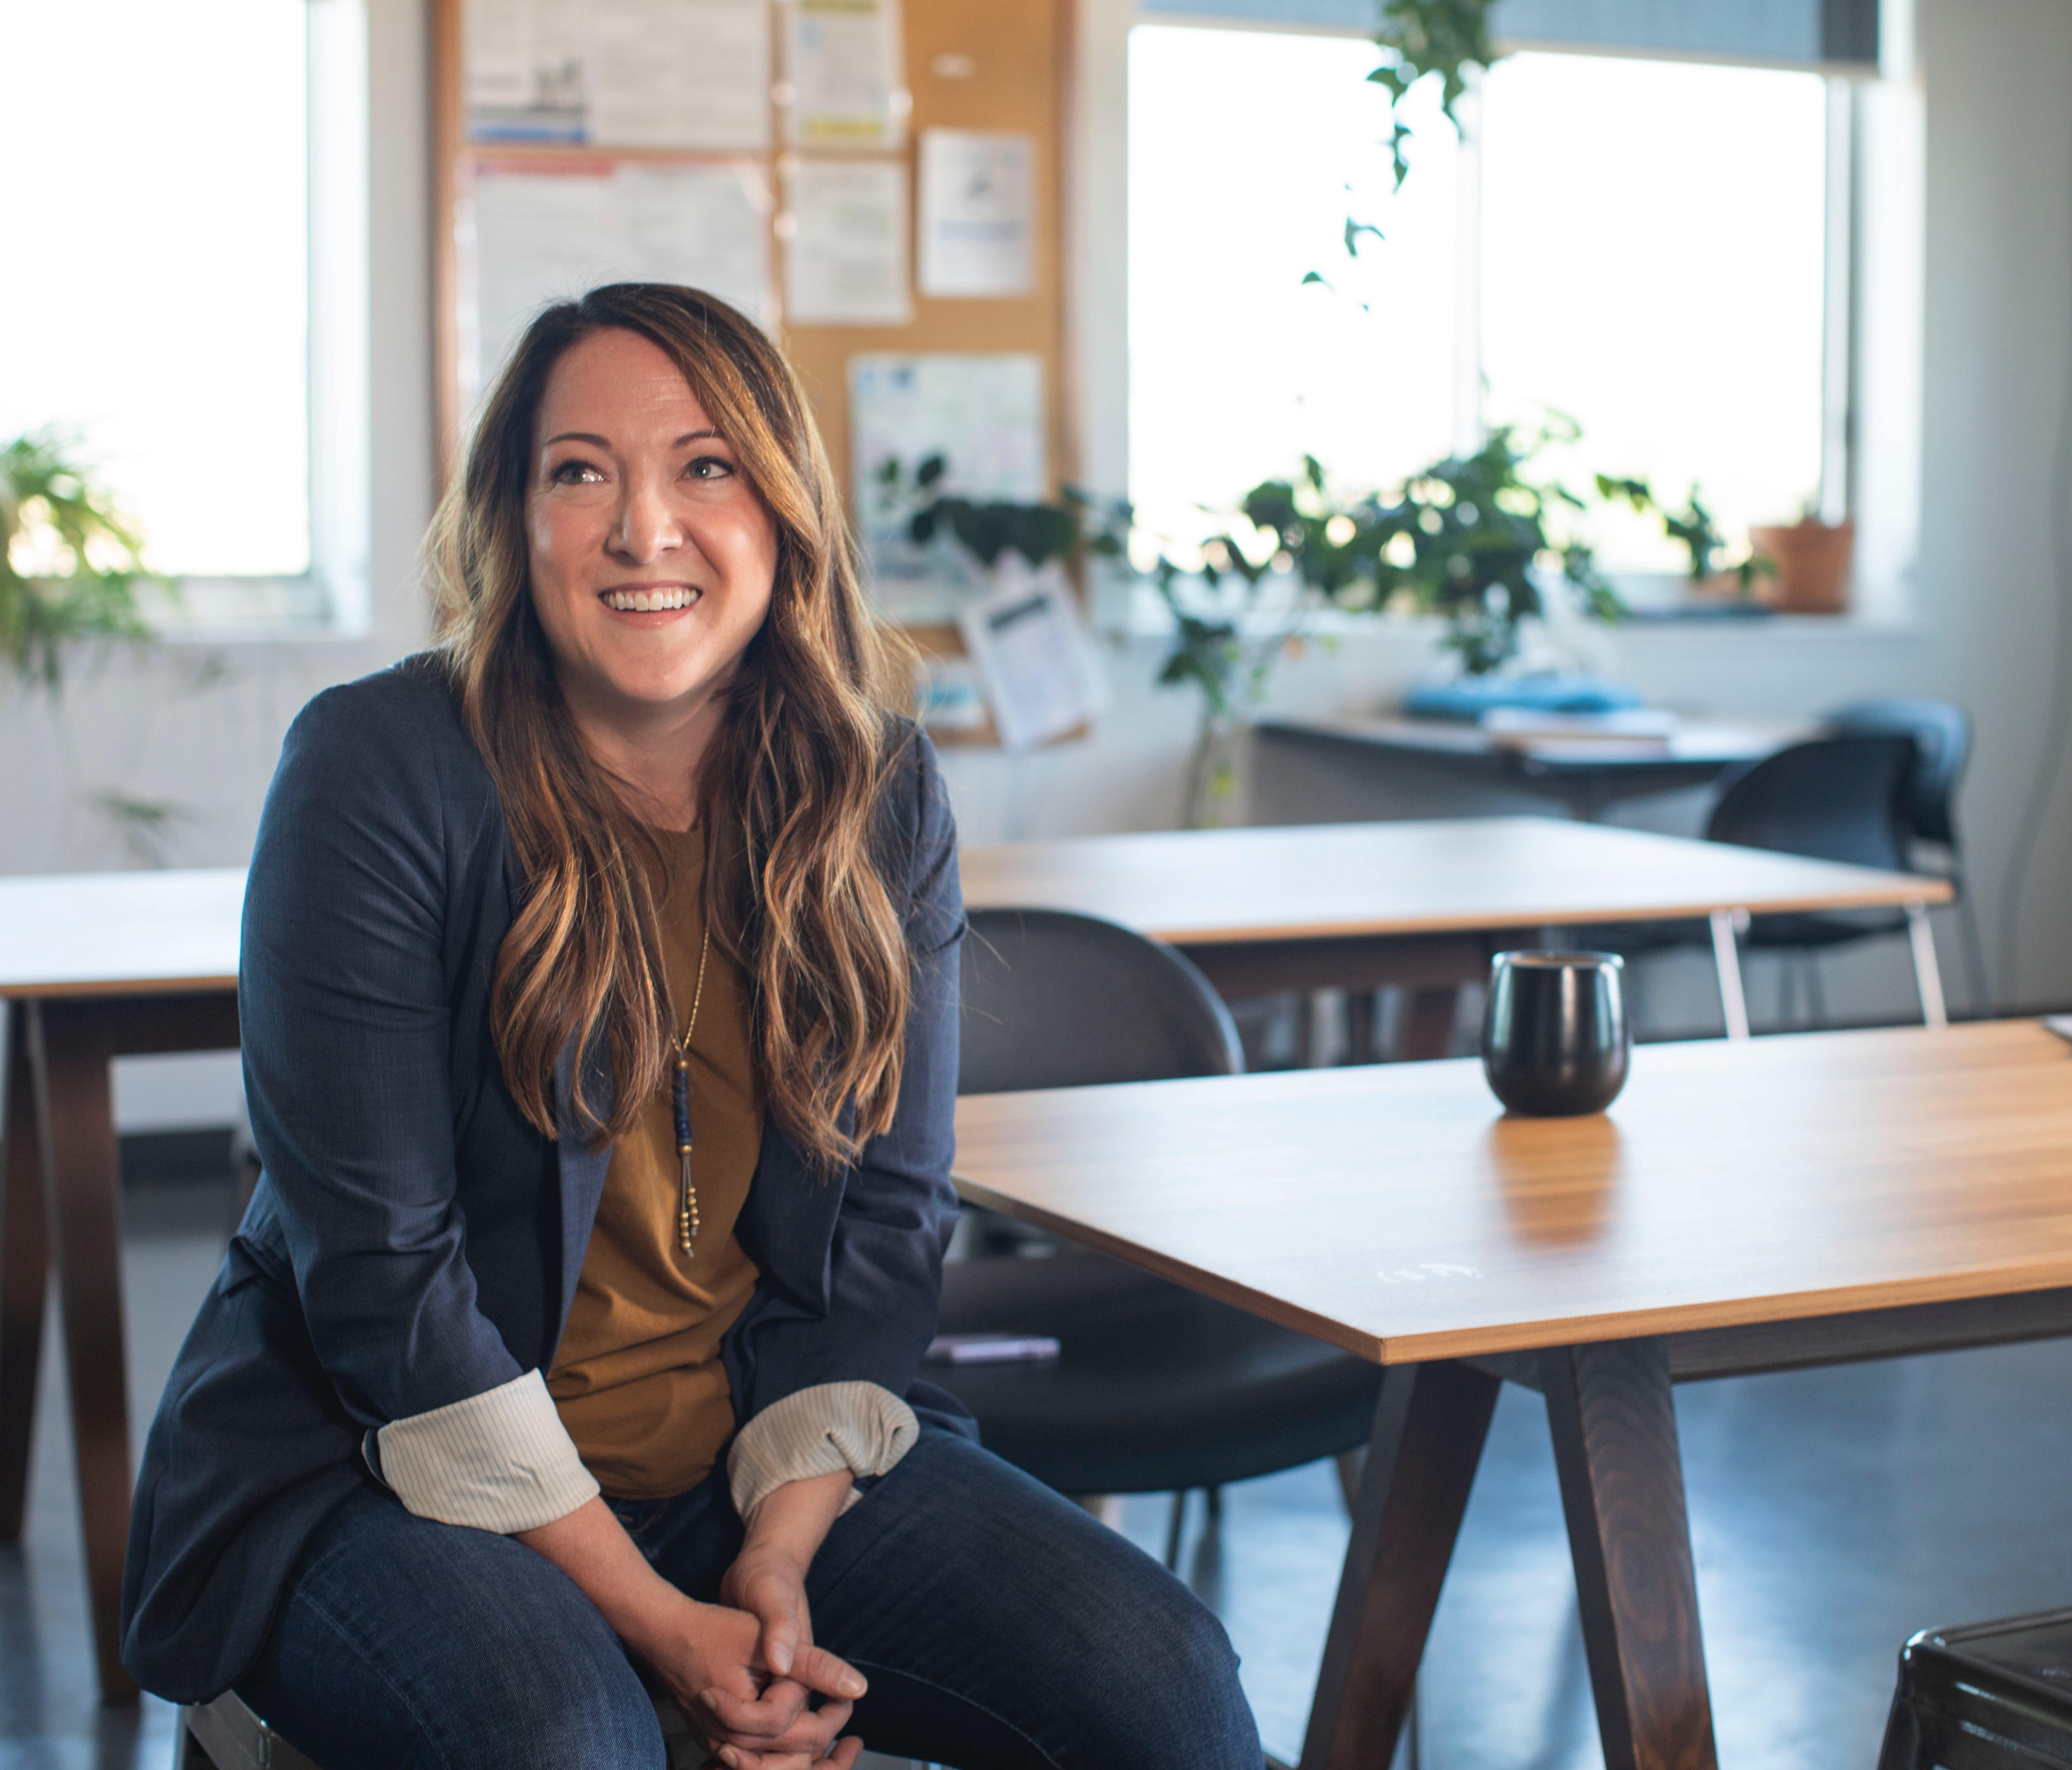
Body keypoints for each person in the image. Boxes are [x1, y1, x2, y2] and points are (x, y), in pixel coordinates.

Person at [118, 284, 1266, 1770]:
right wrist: (666, 1635)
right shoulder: (379, 768)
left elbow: (887, 1232)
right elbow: (383, 1287)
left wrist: (777, 1567)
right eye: (580, 470)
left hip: (747, 1459)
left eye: (707, 467)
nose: (645, 529)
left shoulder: (879, 789)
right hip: (380, 1471)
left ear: (782, 509)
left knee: (1160, 1678)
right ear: (512, 522)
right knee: (569, 1739)